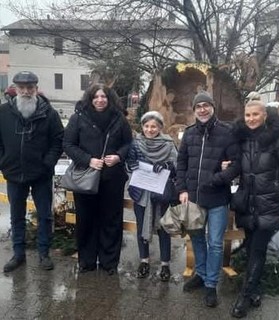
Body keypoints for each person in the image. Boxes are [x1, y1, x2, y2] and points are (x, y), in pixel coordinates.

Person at [227, 100, 279, 318]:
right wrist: (227, 165)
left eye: (255, 114)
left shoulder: (277, 142)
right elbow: (234, 163)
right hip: (247, 203)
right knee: (251, 249)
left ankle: (244, 297)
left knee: (258, 249)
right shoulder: (240, 139)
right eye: (248, 115)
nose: (251, 119)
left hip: (269, 203)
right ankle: (256, 290)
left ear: (265, 115)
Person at [176, 91, 240, 307]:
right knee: (196, 239)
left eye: (206, 105)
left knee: (215, 243)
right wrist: (182, 189)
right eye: (198, 106)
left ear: (213, 107)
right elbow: (181, 163)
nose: (202, 109)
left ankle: (211, 284)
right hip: (193, 198)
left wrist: (217, 179)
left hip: (217, 199)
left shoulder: (227, 132)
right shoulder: (190, 133)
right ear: (194, 110)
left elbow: (236, 165)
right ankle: (201, 274)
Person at [63, 83, 132, 274]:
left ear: (109, 99)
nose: (100, 100)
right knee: (86, 220)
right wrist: (88, 160)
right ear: (90, 99)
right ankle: (87, 261)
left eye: (104, 97)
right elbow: (68, 144)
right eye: (96, 97)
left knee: (111, 220)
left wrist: (118, 156)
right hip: (86, 178)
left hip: (112, 178)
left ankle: (109, 262)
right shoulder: (79, 118)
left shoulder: (119, 118)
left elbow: (128, 143)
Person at [0, 71, 64, 272]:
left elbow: (58, 140)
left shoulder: (49, 113)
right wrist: (3, 161)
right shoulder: (3, 112)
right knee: (16, 215)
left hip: (41, 174)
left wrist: (48, 162)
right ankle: (18, 254)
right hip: (13, 172)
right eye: (22, 88)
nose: (26, 91)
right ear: (16, 89)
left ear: (36, 89)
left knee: (45, 215)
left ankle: (44, 253)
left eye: (30, 88)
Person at [126, 111, 178, 282]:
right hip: (141, 193)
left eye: (154, 126)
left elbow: (177, 166)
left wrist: (167, 165)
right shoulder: (135, 143)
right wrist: (131, 166)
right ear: (142, 127)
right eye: (146, 126)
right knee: (142, 227)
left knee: (163, 228)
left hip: (160, 192)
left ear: (160, 127)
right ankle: (144, 261)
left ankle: (165, 264)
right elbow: (128, 164)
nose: (150, 129)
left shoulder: (169, 144)